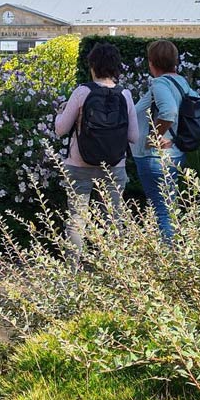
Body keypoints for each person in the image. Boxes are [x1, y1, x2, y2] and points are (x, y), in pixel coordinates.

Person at [55, 43, 139, 257]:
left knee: (77, 220)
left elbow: (61, 130)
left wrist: (60, 112)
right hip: (114, 166)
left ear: (92, 65)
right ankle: (112, 275)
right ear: (116, 68)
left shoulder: (82, 92)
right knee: (113, 220)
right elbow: (134, 137)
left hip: (79, 164)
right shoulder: (125, 95)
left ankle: (72, 273)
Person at [130, 40, 200, 242]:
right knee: (169, 207)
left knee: (162, 210)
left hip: (154, 157)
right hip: (174, 154)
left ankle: (169, 261)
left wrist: (155, 136)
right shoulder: (180, 82)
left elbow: (169, 111)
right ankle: (176, 255)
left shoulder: (160, 83)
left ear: (152, 62)